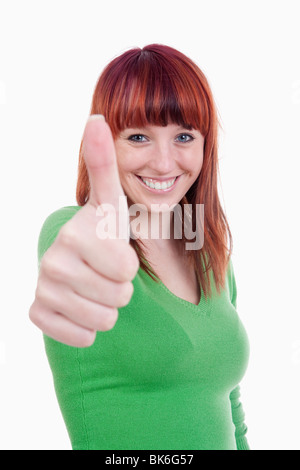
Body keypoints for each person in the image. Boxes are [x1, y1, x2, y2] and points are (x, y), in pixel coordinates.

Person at [29, 44, 250, 450]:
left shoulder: (209, 251)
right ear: (107, 144)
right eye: (138, 137)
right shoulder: (75, 230)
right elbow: (69, 253)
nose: (164, 164)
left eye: (184, 136)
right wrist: (68, 273)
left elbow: (229, 406)